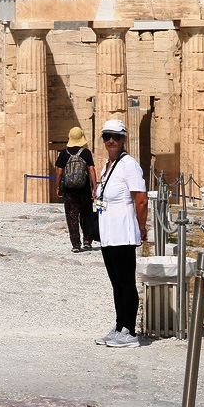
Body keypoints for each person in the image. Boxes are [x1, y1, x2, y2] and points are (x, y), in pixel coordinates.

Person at [92, 118, 148, 349]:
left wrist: (142, 227)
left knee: (126, 283)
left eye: (116, 136)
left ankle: (130, 331)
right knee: (116, 283)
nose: (111, 140)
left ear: (124, 139)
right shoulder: (108, 165)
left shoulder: (129, 164)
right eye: (107, 136)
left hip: (123, 232)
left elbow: (141, 199)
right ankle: (119, 326)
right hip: (108, 234)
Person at [55, 127, 97, 253]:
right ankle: (87, 241)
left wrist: (58, 187)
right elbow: (91, 170)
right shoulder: (86, 153)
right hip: (84, 189)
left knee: (72, 216)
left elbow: (59, 173)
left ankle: (76, 244)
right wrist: (94, 187)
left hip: (69, 190)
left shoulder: (63, 154)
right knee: (86, 215)